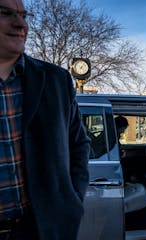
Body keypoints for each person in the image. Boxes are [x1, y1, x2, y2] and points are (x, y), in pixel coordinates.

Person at [0, 0, 90, 239]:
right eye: (6, 13)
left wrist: (71, 202)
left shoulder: (56, 81)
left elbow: (79, 144)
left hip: (42, 231)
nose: (20, 24)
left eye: (24, 15)